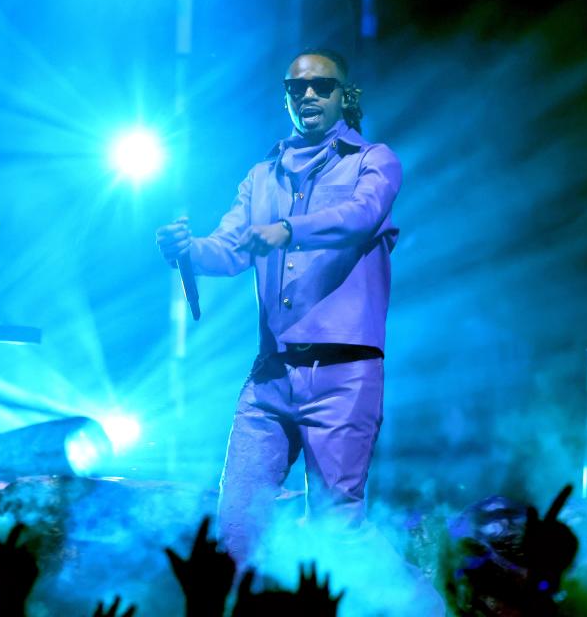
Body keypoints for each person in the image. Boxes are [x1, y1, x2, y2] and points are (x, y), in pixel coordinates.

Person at [155, 48, 402, 564]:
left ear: (345, 96)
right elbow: (228, 248)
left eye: (322, 86)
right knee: (238, 520)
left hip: (344, 373)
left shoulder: (373, 161)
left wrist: (290, 229)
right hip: (271, 375)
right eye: (296, 88)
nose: (308, 95)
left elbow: (361, 216)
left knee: (337, 526)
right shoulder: (261, 177)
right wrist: (188, 251)